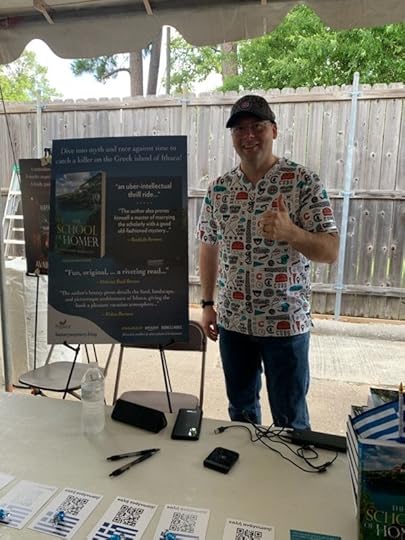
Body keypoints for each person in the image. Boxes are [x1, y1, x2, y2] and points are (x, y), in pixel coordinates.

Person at [197, 94, 339, 429]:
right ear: (232, 137)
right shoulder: (219, 190)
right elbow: (208, 245)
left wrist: (293, 233)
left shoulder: (303, 181)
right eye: (239, 129)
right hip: (233, 324)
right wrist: (207, 304)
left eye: (257, 126)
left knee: (291, 422)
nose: (248, 135)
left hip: (285, 324)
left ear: (273, 130)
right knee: (241, 417)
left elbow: (331, 251)